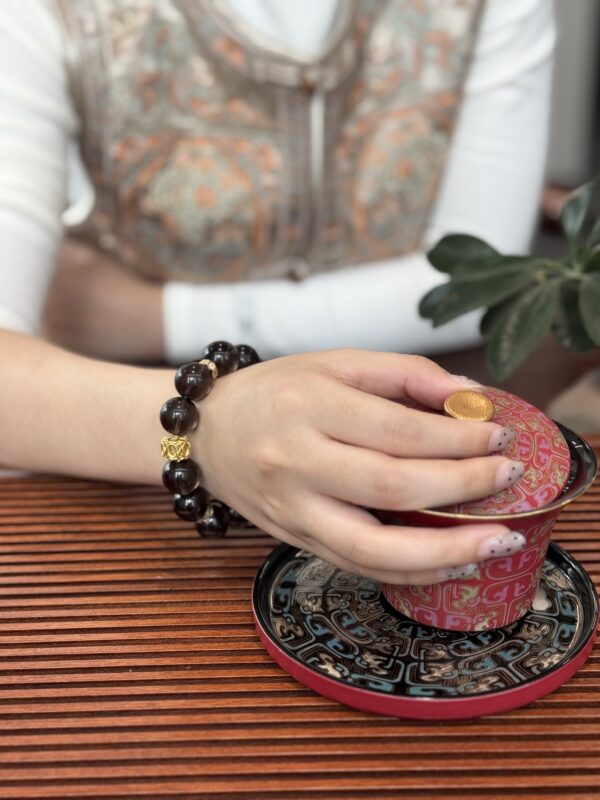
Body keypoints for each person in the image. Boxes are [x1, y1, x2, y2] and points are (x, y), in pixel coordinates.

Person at [0, 0, 554, 586]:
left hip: (417, 451)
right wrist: (201, 435)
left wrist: (160, 316)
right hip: (122, 465)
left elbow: (477, 284)